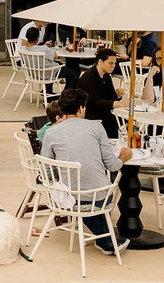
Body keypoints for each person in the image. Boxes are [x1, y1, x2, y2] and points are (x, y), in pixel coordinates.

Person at [40, 87, 129, 255]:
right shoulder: (95, 127)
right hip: (99, 196)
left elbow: (46, 168)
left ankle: (105, 239)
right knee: (97, 192)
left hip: (68, 196)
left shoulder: (51, 133)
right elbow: (113, 166)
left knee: (80, 192)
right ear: (81, 108)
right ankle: (106, 240)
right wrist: (124, 157)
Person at [76, 47, 124, 139]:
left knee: (125, 123)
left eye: (114, 63)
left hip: (103, 111)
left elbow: (111, 97)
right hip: (90, 115)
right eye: (110, 63)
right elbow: (94, 102)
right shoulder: (89, 78)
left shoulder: (106, 76)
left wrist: (117, 96)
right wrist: (114, 103)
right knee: (118, 124)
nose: (113, 66)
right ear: (100, 62)